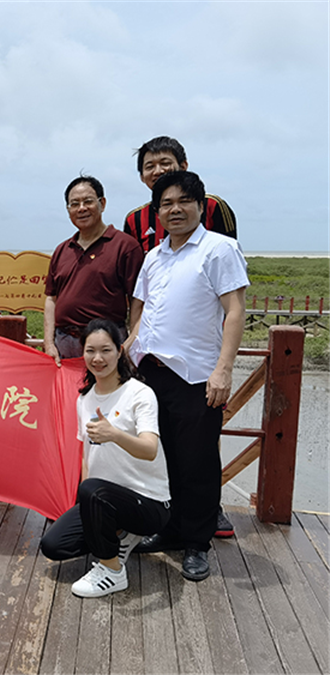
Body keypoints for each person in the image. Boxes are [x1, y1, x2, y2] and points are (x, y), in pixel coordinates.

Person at [127, 171, 248, 581]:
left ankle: (197, 542)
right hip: (151, 374)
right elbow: (143, 310)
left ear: (200, 205)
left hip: (196, 375)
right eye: (166, 204)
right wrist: (128, 348)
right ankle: (171, 530)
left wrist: (223, 369)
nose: (175, 210)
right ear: (157, 212)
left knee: (197, 462)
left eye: (184, 201)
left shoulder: (219, 249)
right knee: (164, 459)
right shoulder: (154, 256)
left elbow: (235, 311)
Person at [40, 319, 171, 597]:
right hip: (103, 499)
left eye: (106, 350)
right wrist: (86, 509)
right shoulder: (85, 399)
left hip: (148, 502)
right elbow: (87, 457)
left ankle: (112, 571)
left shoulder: (140, 393)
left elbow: (150, 449)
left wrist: (114, 434)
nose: (97, 358)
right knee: (53, 545)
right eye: (90, 351)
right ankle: (119, 534)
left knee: (92, 490)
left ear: (120, 351)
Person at [43, 176, 144, 364]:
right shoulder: (62, 250)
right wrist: (49, 344)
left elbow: (138, 300)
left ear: (102, 203)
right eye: (74, 204)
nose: (81, 208)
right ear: (68, 210)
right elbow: (51, 299)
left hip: (106, 344)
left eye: (88, 201)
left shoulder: (126, 247)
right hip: (64, 343)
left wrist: (131, 342)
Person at [123, 136, 237, 253]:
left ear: (183, 166)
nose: (158, 171)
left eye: (165, 163)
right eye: (150, 166)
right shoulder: (135, 219)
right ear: (142, 176)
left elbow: (228, 252)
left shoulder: (212, 205)